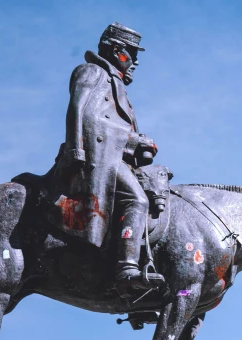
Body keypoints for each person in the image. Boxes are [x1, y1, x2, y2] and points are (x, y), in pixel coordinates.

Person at [53, 22, 164, 295]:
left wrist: (137, 145)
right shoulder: (92, 72)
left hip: (114, 156)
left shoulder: (117, 85)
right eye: (131, 53)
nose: (135, 62)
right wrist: (77, 151)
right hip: (97, 158)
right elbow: (84, 115)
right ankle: (126, 270)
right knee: (136, 200)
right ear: (116, 51)